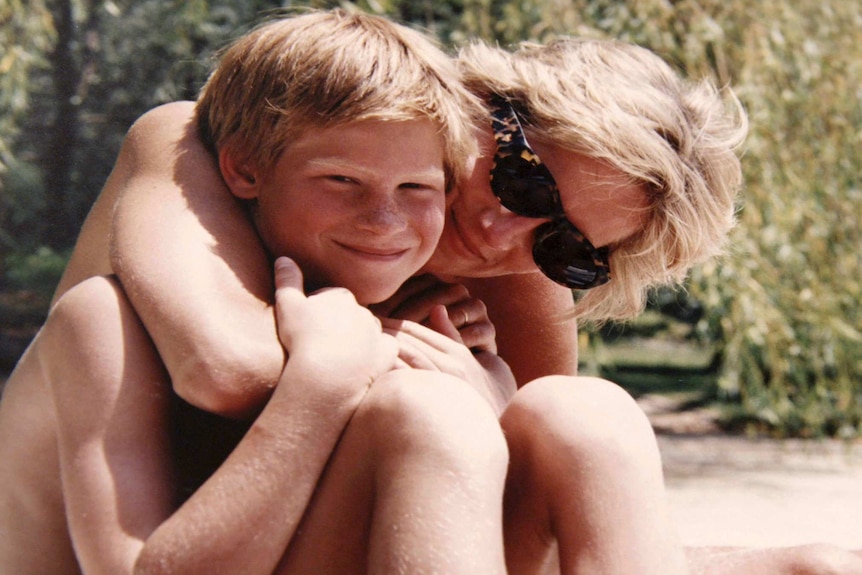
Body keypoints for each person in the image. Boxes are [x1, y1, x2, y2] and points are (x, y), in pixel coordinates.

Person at [0, 11, 514, 574]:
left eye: (416, 187)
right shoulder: (105, 320)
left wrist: (491, 396)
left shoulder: (387, 323)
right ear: (245, 169)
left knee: (585, 414)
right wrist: (324, 382)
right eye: (342, 180)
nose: (386, 220)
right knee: (431, 413)